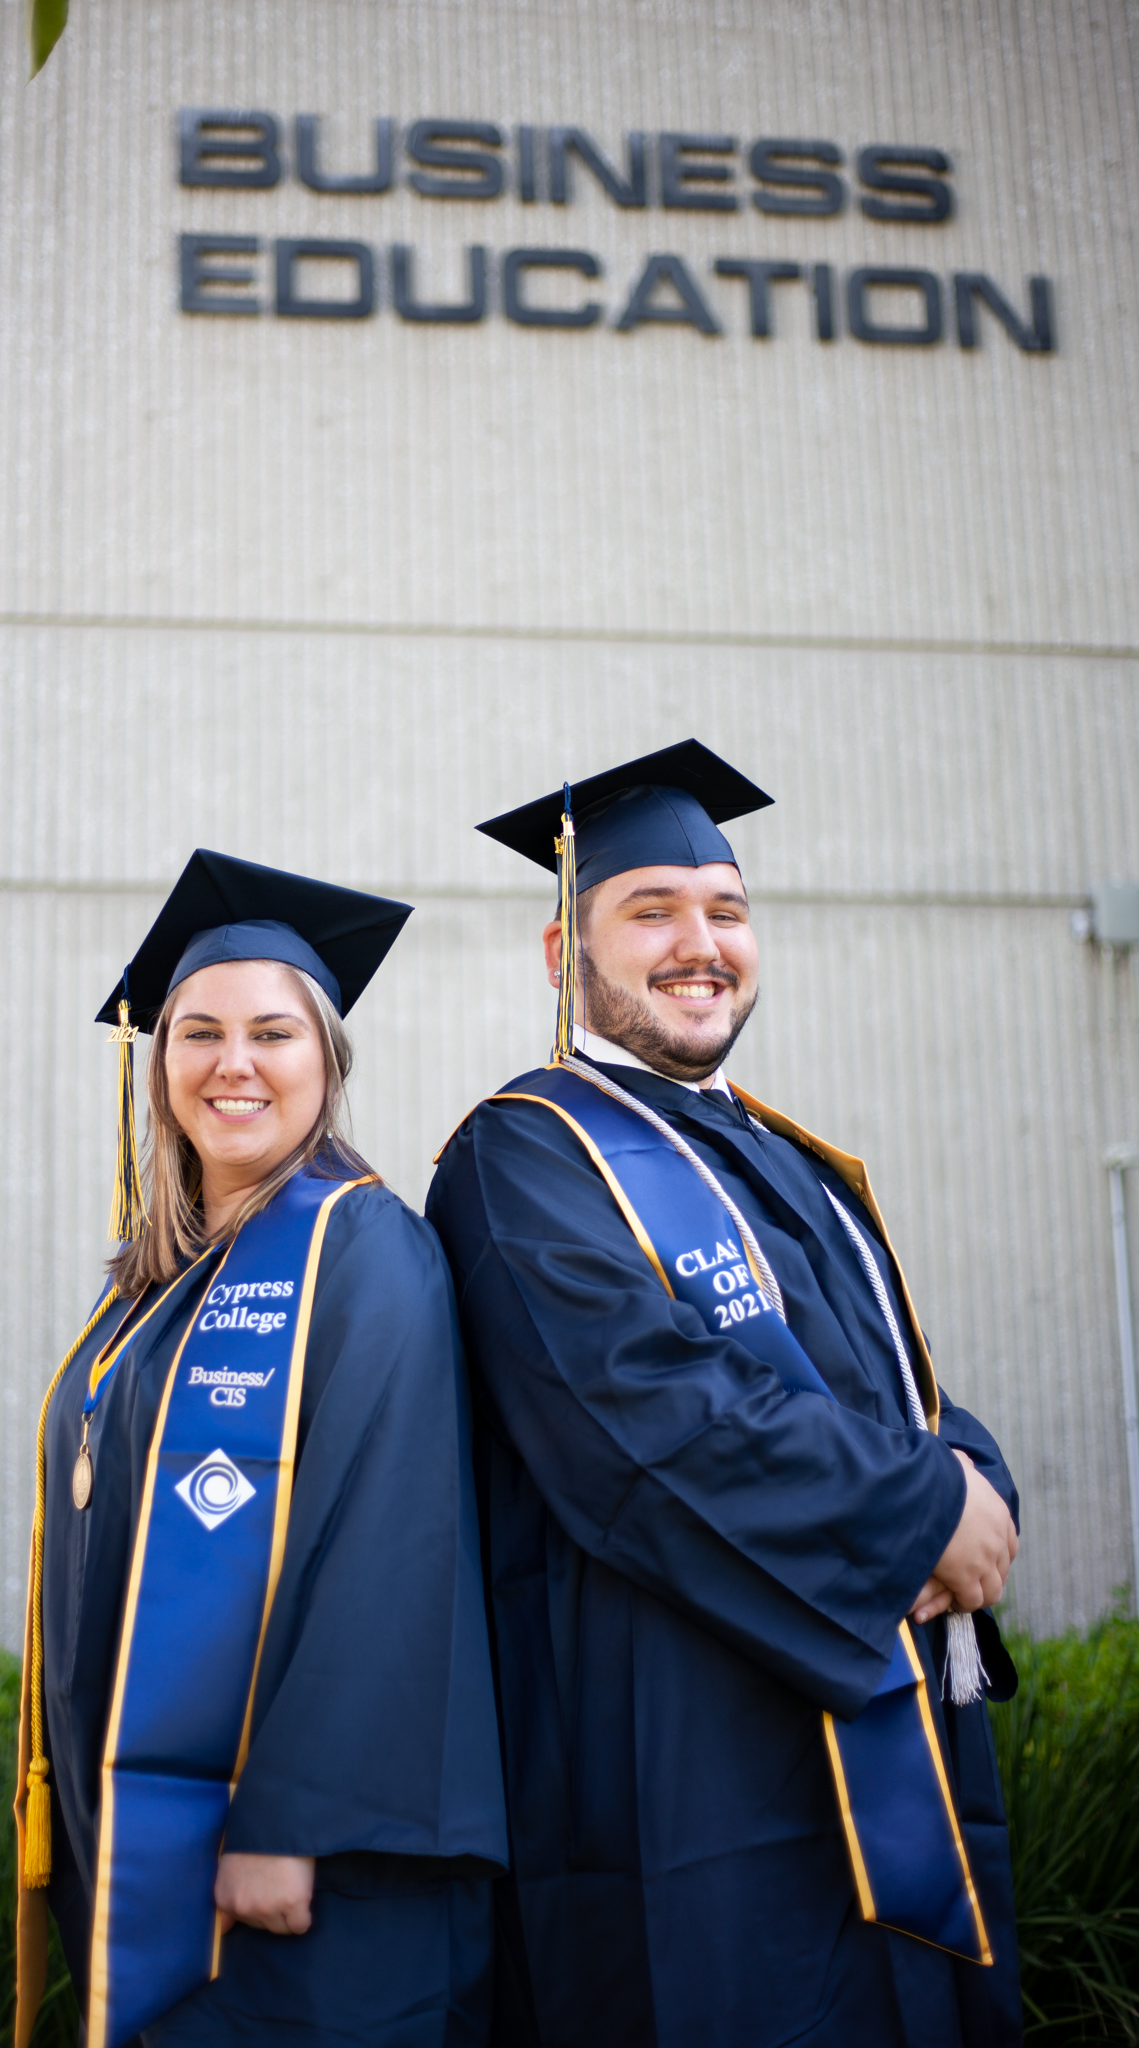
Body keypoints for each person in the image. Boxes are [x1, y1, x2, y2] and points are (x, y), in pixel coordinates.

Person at [425, 741, 1023, 2048]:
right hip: (682, 1774)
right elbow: (640, 1420)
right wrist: (920, 1515)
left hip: (887, 1743)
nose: (700, 941)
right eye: (650, 910)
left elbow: (900, 1387)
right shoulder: (524, 1156)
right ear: (559, 955)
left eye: (727, 911)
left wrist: (977, 1482)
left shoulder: (795, 1158)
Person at [14, 850, 506, 2048]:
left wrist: (289, 1817)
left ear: (327, 1063)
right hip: (140, 1828)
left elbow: (392, 1541)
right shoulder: (145, 1292)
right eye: (199, 1031)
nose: (234, 1063)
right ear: (160, 1059)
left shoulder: (368, 1249)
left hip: (300, 1861)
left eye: (273, 1032)